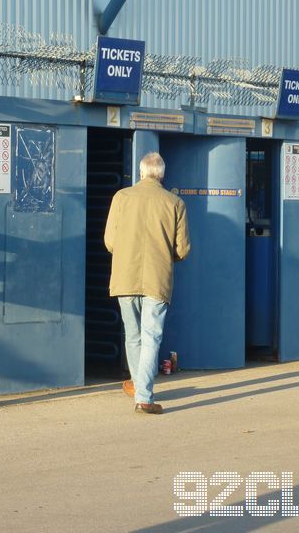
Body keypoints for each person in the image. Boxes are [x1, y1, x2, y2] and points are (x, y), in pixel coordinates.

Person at [104, 152, 190, 415]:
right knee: (151, 337)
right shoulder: (175, 203)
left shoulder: (121, 198)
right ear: (161, 175)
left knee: (133, 336)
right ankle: (143, 395)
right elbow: (183, 249)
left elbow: (110, 241)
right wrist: (165, 256)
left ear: (141, 173)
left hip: (125, 276)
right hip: (157, 278)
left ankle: (139, 386)